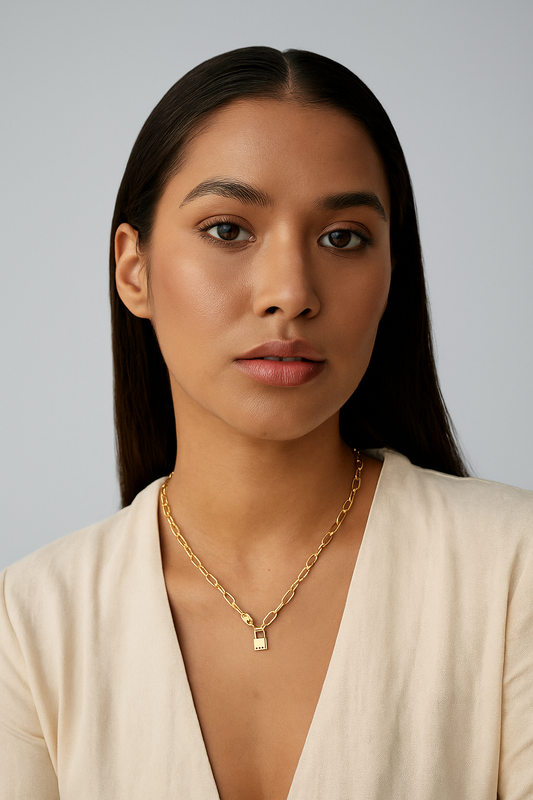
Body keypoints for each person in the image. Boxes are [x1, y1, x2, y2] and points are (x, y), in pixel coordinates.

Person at [1, 46, 532, 800]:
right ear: (134, 269)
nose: (290, 292)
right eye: (227, 230)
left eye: (342, 236)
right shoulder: (28, 624)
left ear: (391, 274)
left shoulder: (514, 571)